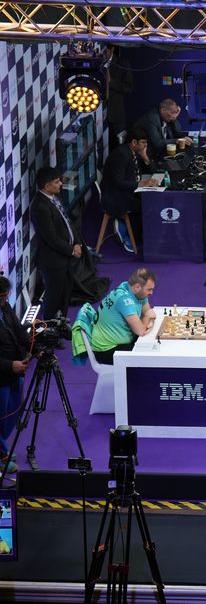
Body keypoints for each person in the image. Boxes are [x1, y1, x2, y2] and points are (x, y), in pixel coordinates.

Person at [30, 167, 83, 320]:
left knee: (65, 294)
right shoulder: (40, 207)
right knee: (54, 297)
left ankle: (61, 323)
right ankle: (49, 327)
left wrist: (77, 242)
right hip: (53, 261)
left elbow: (67, 222)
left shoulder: (53, 197)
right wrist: (71, 250)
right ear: (47, 186)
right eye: (57, 182)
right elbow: (51, 238)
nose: (61, 184)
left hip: (65, 257)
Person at [101, 127, 157, 253]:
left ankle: (135, 232)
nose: (145, 146)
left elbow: (152, 170)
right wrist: (140, 184)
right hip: (115, 196)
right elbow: (118, 182)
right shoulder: (121, 155)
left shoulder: (134, 152)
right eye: (143, 142)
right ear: (134, 142)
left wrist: (145, 157)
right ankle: (126, 230)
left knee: (150, 200)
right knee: (146, 206)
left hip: (128, 191)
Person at [90, 268, 157, 365]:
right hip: (107, 350)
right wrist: (147, 317)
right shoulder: (125, 300)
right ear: (137, 287)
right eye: (149, 289)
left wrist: (148, 315)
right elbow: (141, 331)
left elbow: (147, 310)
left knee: (152, 343)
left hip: (117, 341)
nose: (151, 293)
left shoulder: (129, 287)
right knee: (149, 355)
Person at [0, 276, 29, 475]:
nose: (4, 299)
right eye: (1, 296)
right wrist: (11, 365)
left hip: (16, 372)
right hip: (3, 375)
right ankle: (1, 454)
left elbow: (18, 330)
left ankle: (2, 447)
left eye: (6, 295)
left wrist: (32, 343)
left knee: (12, 412)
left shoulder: (4, 306)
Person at [134, 98, 192, 163]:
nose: (173, 115)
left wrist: (175, 118)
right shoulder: (152, 118)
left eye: (175, 113)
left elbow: (178, 133)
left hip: (159, 153)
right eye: (172, 112)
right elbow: (158, 143)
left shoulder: (166, 117)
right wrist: (177, 140)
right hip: (146, 156)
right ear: (162, 110)